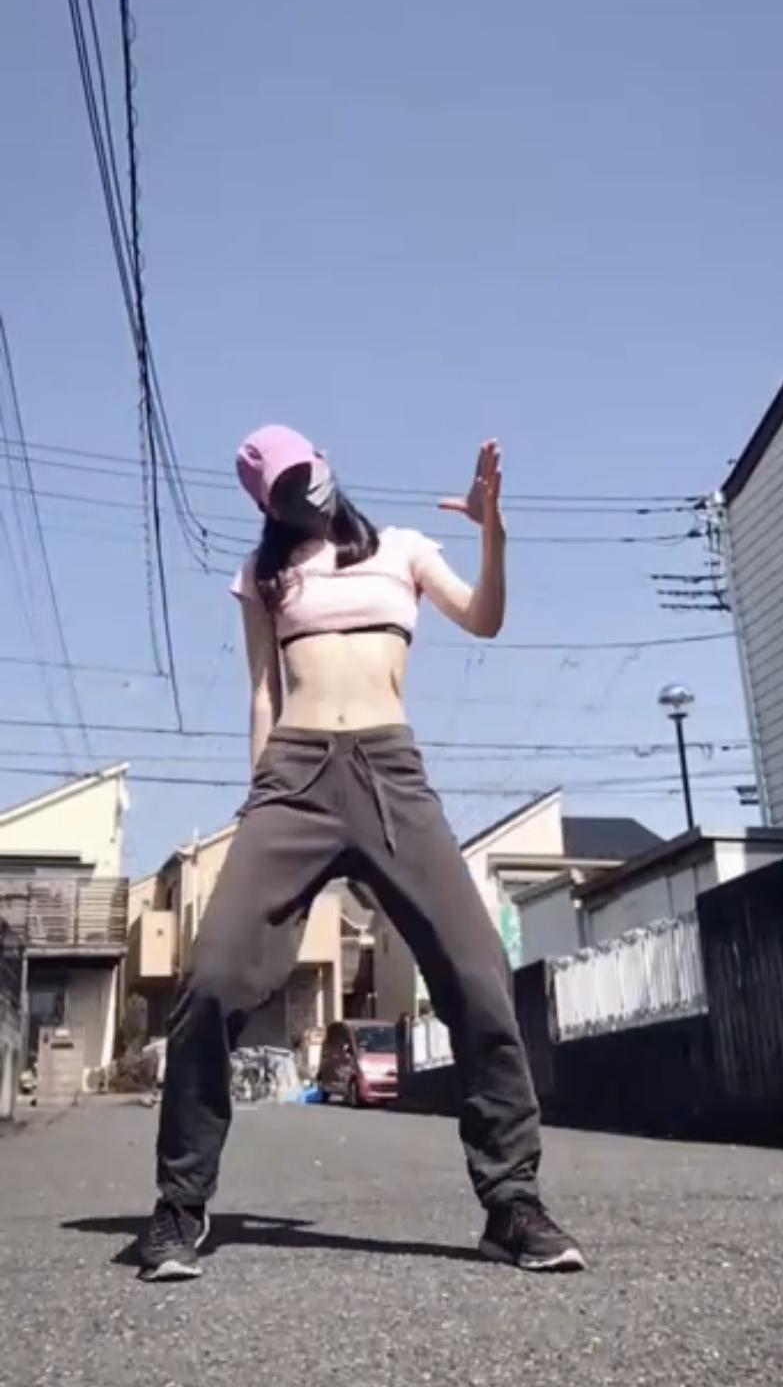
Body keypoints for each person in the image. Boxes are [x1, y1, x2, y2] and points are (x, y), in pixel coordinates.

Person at [139, 426, 585, 1280]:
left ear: (326, 467)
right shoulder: (265, 575)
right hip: (293, 778)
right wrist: (263, 802)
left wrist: (492, 529)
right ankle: (179, 1205)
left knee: (479, 974)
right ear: (267, 506)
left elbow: (485, 619)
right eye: (280, 491)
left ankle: (512, 1204)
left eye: (303, 476)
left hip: (390, 774)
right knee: (214, 978)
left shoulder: (404, 550)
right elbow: (264, 693)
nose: (299, 494)